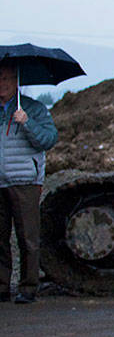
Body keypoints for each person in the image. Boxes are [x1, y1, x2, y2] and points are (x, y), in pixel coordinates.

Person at [0, 60, 58, 303]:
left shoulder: (32, 109)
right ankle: (2, 287)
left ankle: (28, 287)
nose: (1, 84)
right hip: (0, 182)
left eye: (6, 79)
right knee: (0, 238)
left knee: (28, 237)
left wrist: (27, 122)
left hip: (25, 181)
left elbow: (48, 139)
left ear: (17, 82)